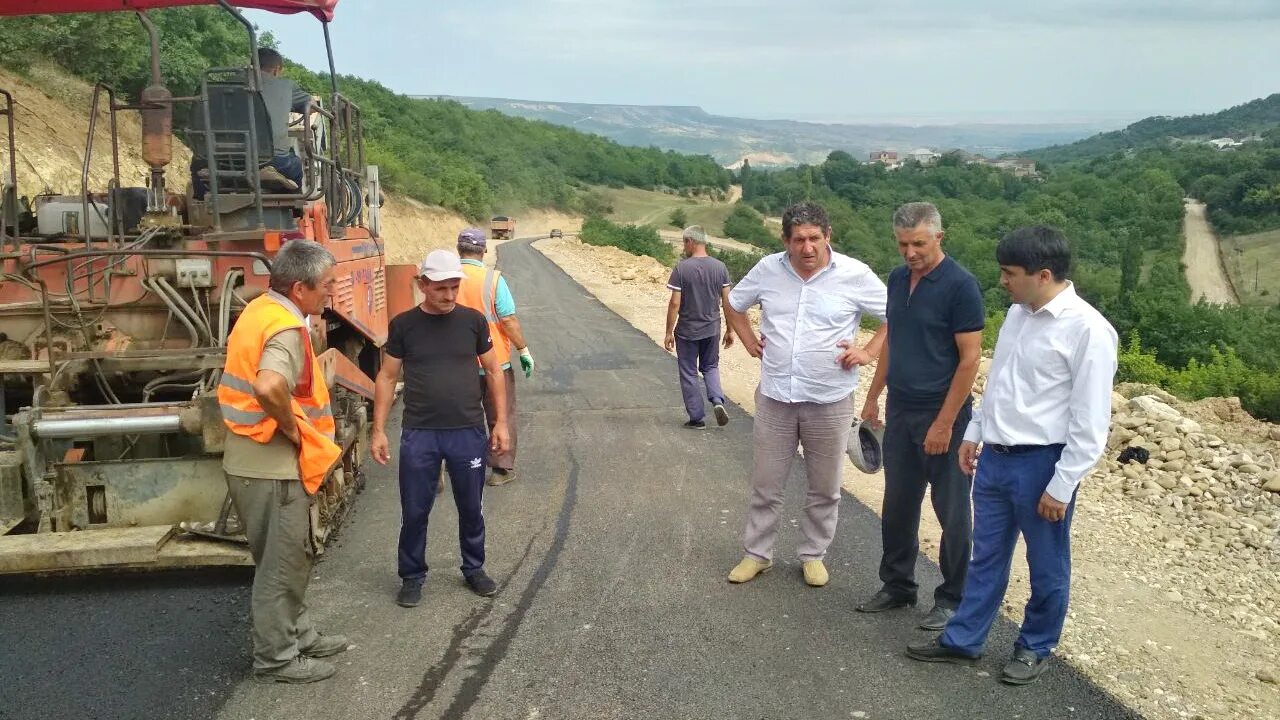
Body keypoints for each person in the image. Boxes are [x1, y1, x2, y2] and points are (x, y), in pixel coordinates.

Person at [906, 226, 1117, 686]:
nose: (1002, 281)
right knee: (987, 555)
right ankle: (963, 640)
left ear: (1043, 275)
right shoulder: (1020, 314)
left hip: (1043, 464)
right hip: (996, 458)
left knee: (1046, 563)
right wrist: (974, 432)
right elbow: (999, 380)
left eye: (1010, 273)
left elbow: (1090, 421)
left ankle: (1034, 646)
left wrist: (1062, 485)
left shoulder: (1089, 331)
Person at [723, 201, 888, 588]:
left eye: (815, 238)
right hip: (777, 397)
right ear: (786, 241)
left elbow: (895, 314)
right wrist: (748, 339)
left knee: (825, 486)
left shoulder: (854, 274)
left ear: (828, 236)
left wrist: (868, 351)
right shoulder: (768, 269)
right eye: (799, 240)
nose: (808, 247)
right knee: (767, 483)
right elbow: (733, 303)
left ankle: (813, 555)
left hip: (830, 400)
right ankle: (757, 554)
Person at [217, 240, 347, 684]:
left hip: (250, 460)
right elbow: (270, 386)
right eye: (327, 285)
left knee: (289, 557)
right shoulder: (286, 329)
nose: (332, 291)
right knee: (282, 563)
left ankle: (299, 634)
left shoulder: (261, 310)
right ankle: (276, 658)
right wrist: (294, 432)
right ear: (299, 289)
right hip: (269, 465)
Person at [856, 202, 985, 631]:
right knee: (898, 504)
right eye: (902, 244)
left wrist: (945, 424)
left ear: (939, 238)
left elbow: (970, 361)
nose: (910, 252)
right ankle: (898, 586)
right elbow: (892, 337)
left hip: (943, 414)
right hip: (902, 409)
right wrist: (874, 395)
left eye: (918, 244)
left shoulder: (960, 286)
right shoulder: (896, 279)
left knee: (951, 511)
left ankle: (952, 598)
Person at [371, 249, 510, 608]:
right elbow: (387, 376)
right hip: (420, 432)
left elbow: (494, 370)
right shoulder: (404, 325)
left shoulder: (473, 321)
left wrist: (501, 423)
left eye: (454, 288)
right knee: (415, 509)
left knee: (471, 507)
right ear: (422, 285)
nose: (449, 296)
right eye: (441, 289)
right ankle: (412, 575)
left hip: (467, 430)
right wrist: (378, 429)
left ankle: (474, 568)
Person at [454, 227, 534, 486]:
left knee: (457, 415)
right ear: (484, 250)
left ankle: (454, 463)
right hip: (495, 362)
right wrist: (523, 350)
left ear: (458, 250)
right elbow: (508, 320)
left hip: (456, 363)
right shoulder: (493, 280)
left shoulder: (446, 279)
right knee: (501, 415)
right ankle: (500, 469)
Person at [191, 47, 310, 198]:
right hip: (272, 160)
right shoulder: (286, 86)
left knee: (197, 163)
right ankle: (292, 206)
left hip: (220, 160)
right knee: (295, 165)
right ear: (276, 70)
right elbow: (310, 105)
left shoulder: (226, 85)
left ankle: (201, 201)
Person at [663, 224, 734, 429]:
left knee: (689, 371)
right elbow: (728, 302)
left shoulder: (681, 268)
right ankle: (717, 401)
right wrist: (730, 329)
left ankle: (696, 418)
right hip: (712, 328)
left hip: (687, 330)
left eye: (684, 243)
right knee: (710, 366)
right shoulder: (720, 267)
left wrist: (669, 332)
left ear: (690, 242)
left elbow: (675, 303)